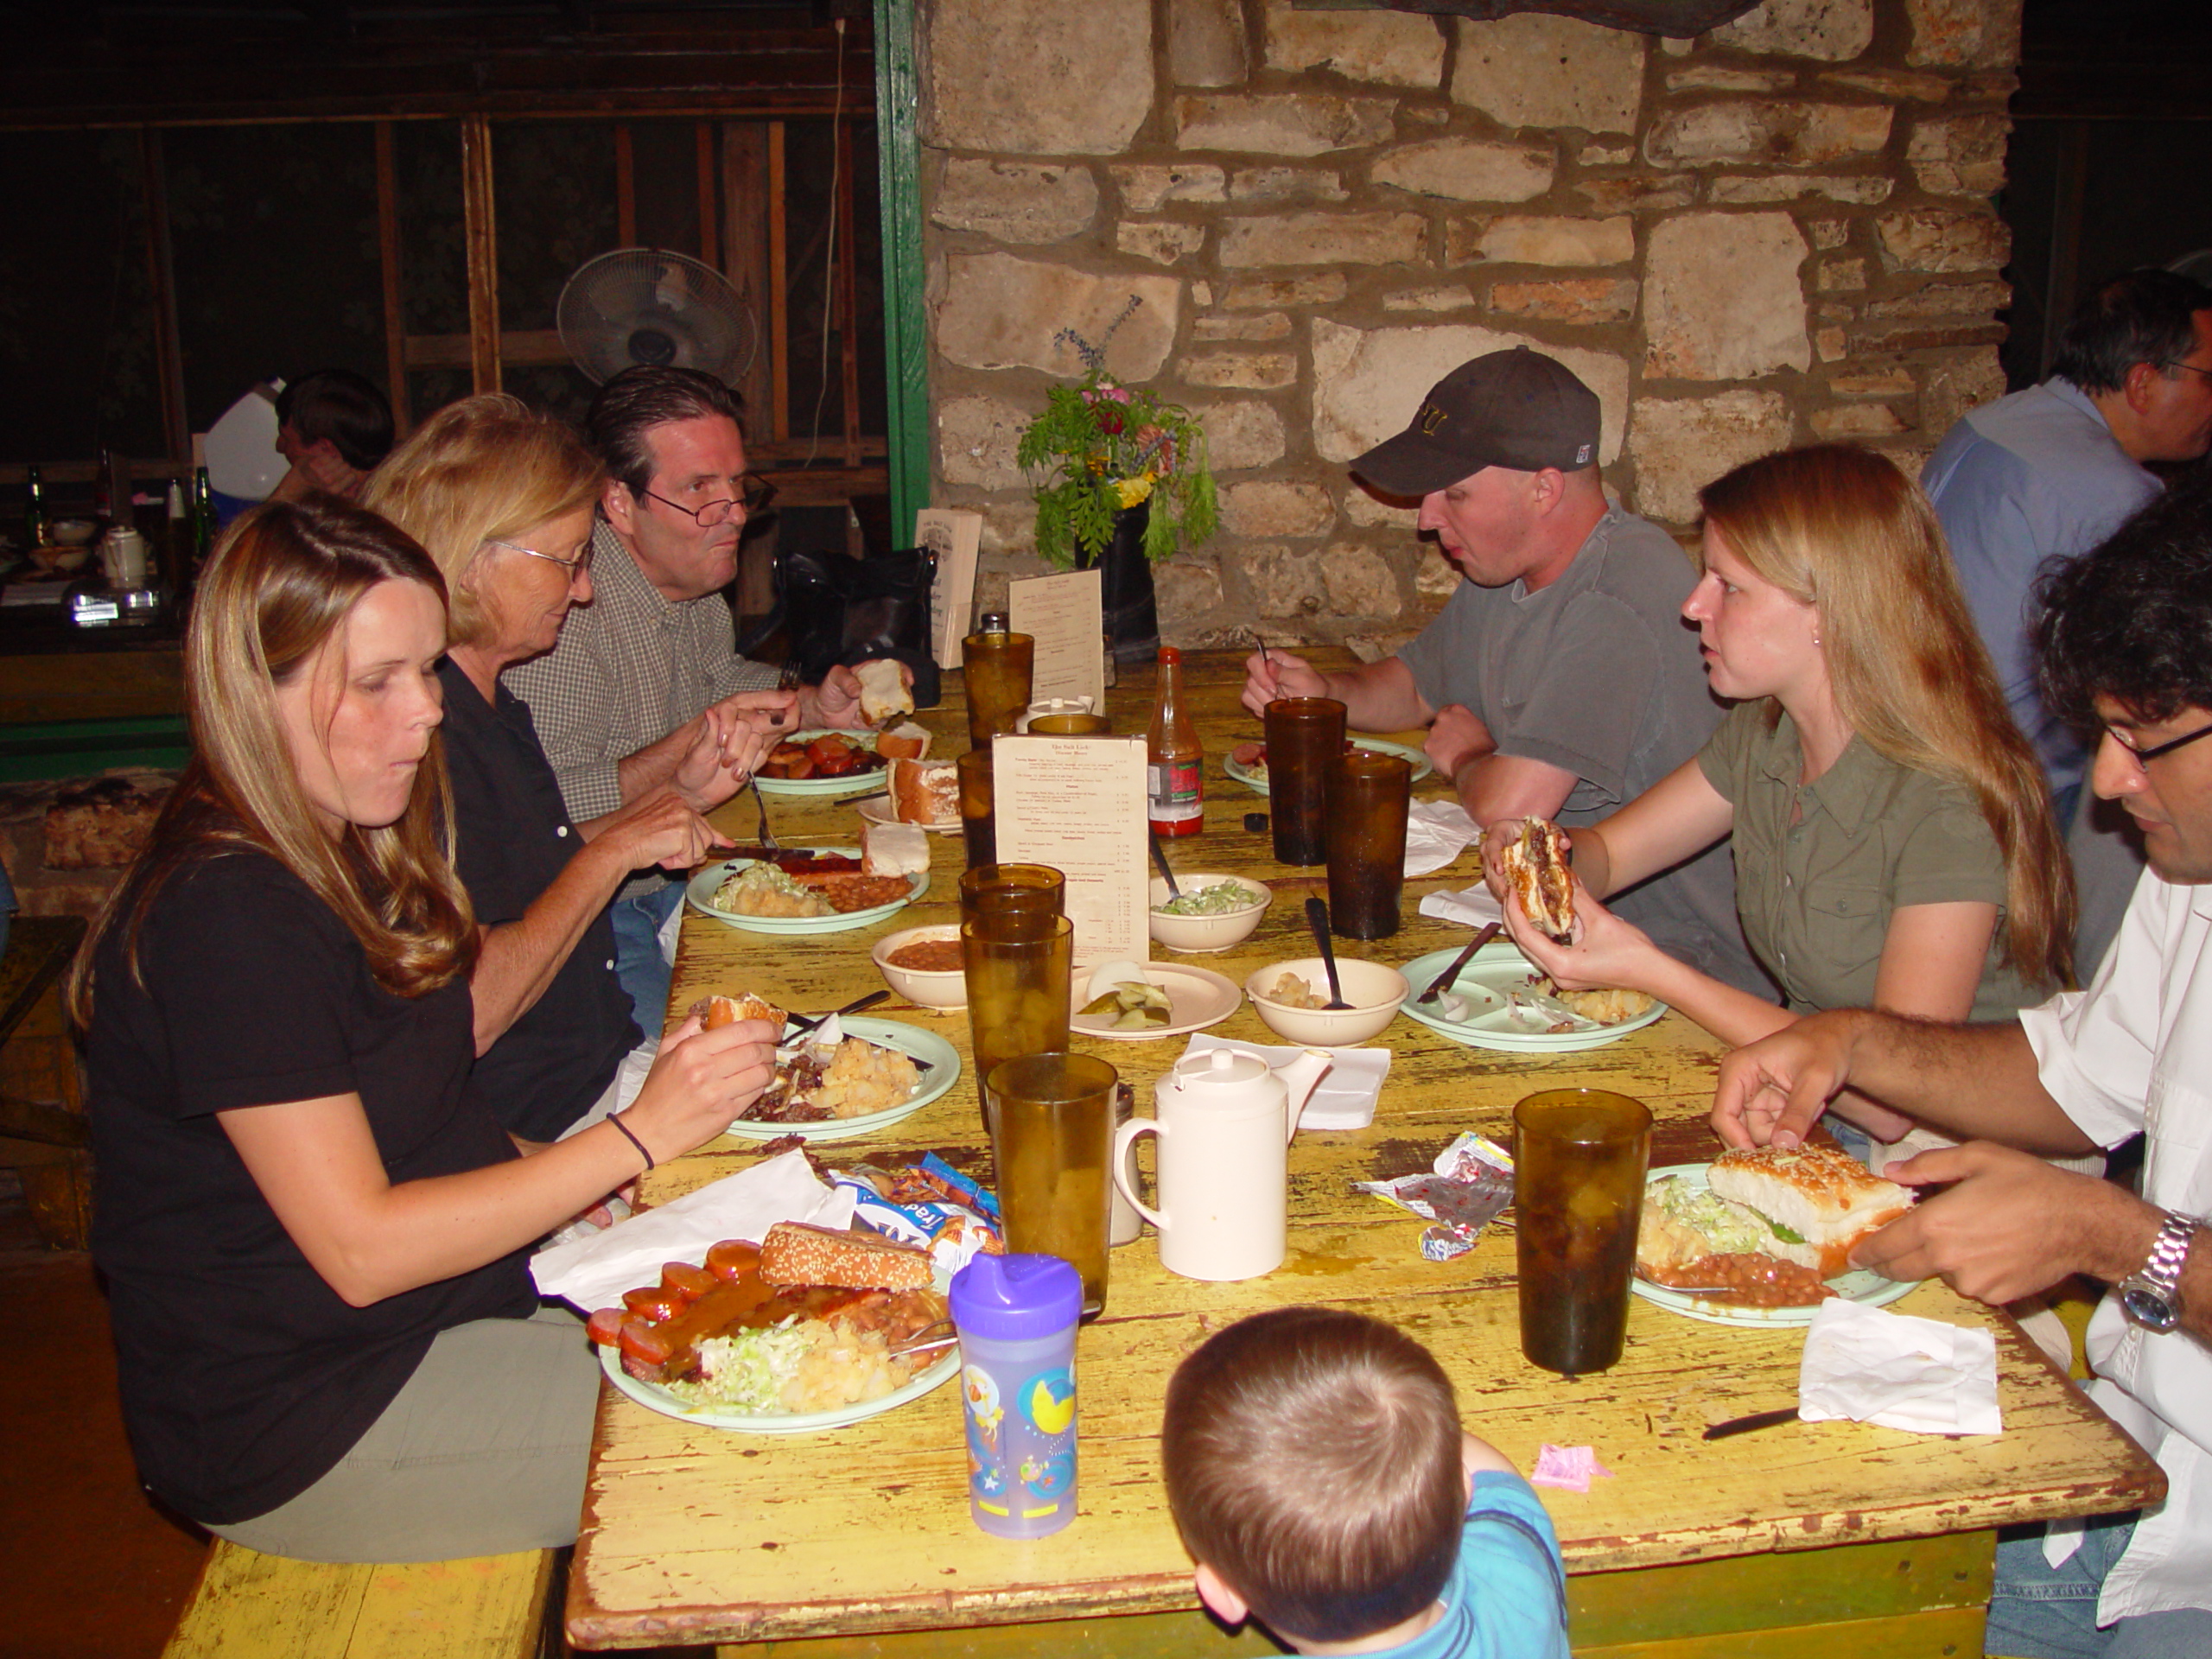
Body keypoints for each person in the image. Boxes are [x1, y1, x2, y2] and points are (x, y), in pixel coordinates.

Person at [74, 497, 779, 1563]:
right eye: (374, 683)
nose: (427, 712)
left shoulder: (353, 849)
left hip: (440, 1320)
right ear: (247, 692)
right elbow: (361, 1248)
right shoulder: (228, 915)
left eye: (424, 670)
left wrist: (587, 1183)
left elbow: (424, 1119)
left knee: (784, 1333)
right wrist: (636, 1138)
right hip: (311, 1410)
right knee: (745, 1445)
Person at [1707, 476, 2212, 1657]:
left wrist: (2112, 1238)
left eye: (2148, 738)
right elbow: (2071, 1083)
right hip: (2131, 1459)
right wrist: (1852, 1038)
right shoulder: (2191, 891)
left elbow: (2117, 1227)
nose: (2115, 779)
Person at [1482, 446, 2072, 1160]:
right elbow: (1608, 855)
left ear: (1831, 609)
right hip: (1803, 1105)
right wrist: (1536, 855)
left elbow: (1891, 1097)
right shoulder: (1768, 734)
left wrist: (1650, 970)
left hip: (1957, 1157)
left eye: (1728, 587)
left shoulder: (1946, 799)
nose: (1693, 606)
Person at [1242, 346, 1762, 995]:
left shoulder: (1621, 591)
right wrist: (1324, 693)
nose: (1428, 519)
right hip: (1564, 933)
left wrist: (1468, 758)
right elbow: (1414, 684)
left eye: (1455, 494)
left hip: (1676, 964)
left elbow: (1513, 807)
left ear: (1544, 488)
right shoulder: (1503, 566)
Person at [364, 395, 772, 1145]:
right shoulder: (423, 742)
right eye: (566, 562)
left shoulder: (492, 701)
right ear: (472, 558)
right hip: (545, 1123)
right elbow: (470, 1013)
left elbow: (527, 873)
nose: (584, 589)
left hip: (607, 1068)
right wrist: (619, 848)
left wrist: (669, 801)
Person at [504, 366, 897, 1027]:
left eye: (738, 487)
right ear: (620, 503)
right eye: (699, 490)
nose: (737, 515)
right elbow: (544, 814)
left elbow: (720, 677)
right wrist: (688, 747)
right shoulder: (567, 621)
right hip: (599, 922)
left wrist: (816, 704)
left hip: (680, 884)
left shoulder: (689, 591)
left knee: (850, 963)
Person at [1923, 268, 2212, 973]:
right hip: (2009, 807)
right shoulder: (2115, 498)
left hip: (1929, 754)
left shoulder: (1991, 423)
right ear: (2143, 382)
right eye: (2208, 378)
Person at [1160, 1306, 1568, 1659]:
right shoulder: (1516, 1580)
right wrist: (1399, 1434)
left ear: (1223, 1594)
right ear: (1462, 1498)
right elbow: (1491, 1474)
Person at [268, 369, 397, 503]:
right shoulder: (400, 486)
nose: (279, 446)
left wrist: (290, 491)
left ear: (326, 449)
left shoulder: (360, 515)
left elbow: (257, 525)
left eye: (287, 439)